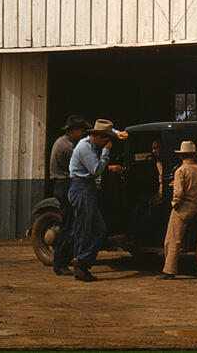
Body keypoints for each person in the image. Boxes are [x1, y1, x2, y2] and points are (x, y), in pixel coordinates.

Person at [68, 119, 125, 282]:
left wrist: (117, 133)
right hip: (82, 187)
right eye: (106, 139)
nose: (107, 143)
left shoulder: (91, 143)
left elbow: (107, 132)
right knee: (84, 230)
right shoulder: (86, 147)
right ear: (99, 137)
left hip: (86, 188)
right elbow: (96, 170)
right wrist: (106, 153)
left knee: (99, 230)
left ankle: (82, 260)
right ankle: (80, 266)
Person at [47, 115, 90, 275]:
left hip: (62, 184)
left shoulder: (63, 142)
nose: (83, 134)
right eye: (81, 131)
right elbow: (82, 164)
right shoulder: (67, 146)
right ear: (75, 131)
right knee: (69, 225)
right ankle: (60, 262)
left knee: (69, 223)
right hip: (65, 184)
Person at [160, 140, 197, 279]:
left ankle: (169, 270)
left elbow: (179, 193)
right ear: (194, 155)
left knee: (172, 239)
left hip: (184, 207)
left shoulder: (181, 170)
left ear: (181, 156)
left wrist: (175, 203)